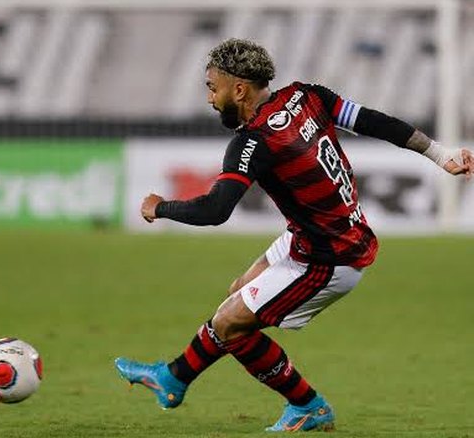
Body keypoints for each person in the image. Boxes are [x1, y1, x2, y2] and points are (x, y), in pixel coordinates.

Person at [115, 38, 472, 432]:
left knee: (231, 325)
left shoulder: (253, 141)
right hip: (321, 236)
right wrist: (441, 154)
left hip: (328, 258)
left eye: (212, 88)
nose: (210, 99)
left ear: (239, 89)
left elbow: (216, 211)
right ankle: (174, 379)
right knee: (238, 294)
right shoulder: (307, 96)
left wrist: (160, 207)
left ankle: (308, 406)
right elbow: (374, 121)